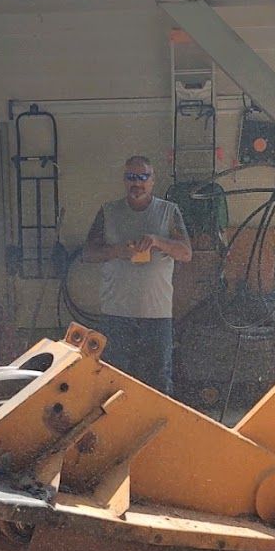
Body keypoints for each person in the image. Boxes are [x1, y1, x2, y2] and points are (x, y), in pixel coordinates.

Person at [82, 155, 192, 394]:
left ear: (153, 181)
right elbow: (88, 254)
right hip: (116, 316)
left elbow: (185, 253)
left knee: (158, 382)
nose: (137, 183)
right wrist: (116, 251)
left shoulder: (169, 212)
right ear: (124, 180)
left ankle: (159, 430)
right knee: (113, 380)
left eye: (143, 177)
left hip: (157, 316)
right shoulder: (108, 211)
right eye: (132, 177)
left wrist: (157, 241)